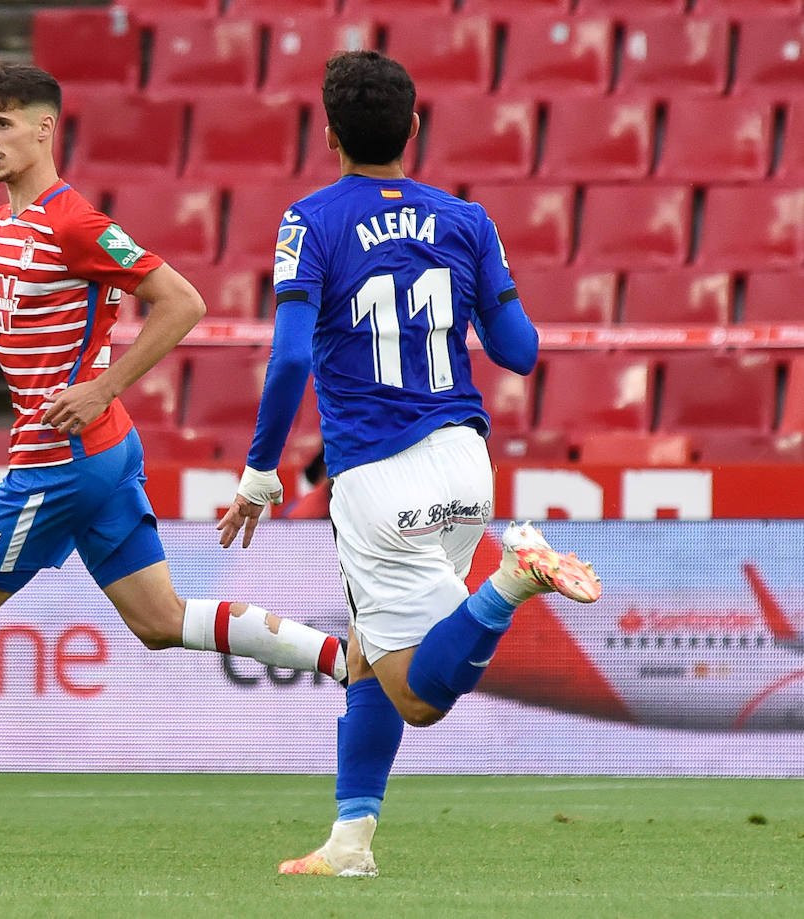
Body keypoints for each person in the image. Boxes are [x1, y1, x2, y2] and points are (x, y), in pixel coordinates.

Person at [0, 61, 352, 836]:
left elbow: (183, 301)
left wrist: (103, 385)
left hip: (58, 457)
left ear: (44, 128)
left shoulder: (73, 222)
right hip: (98, 453)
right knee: (160, 620)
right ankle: (341, 659)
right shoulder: (0, 228)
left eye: (3, 123)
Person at [215, 50, 603, 878]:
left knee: (418, 697)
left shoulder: (309, 221)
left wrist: (259, 470)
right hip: (464, 462)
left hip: (377, 476)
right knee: (364, 646)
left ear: (328, 134)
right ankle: (350, 843)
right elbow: (522, 352)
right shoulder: (467, 221)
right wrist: (485, 287)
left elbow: (287, 363)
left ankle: (514, 579)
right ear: (414, 128)